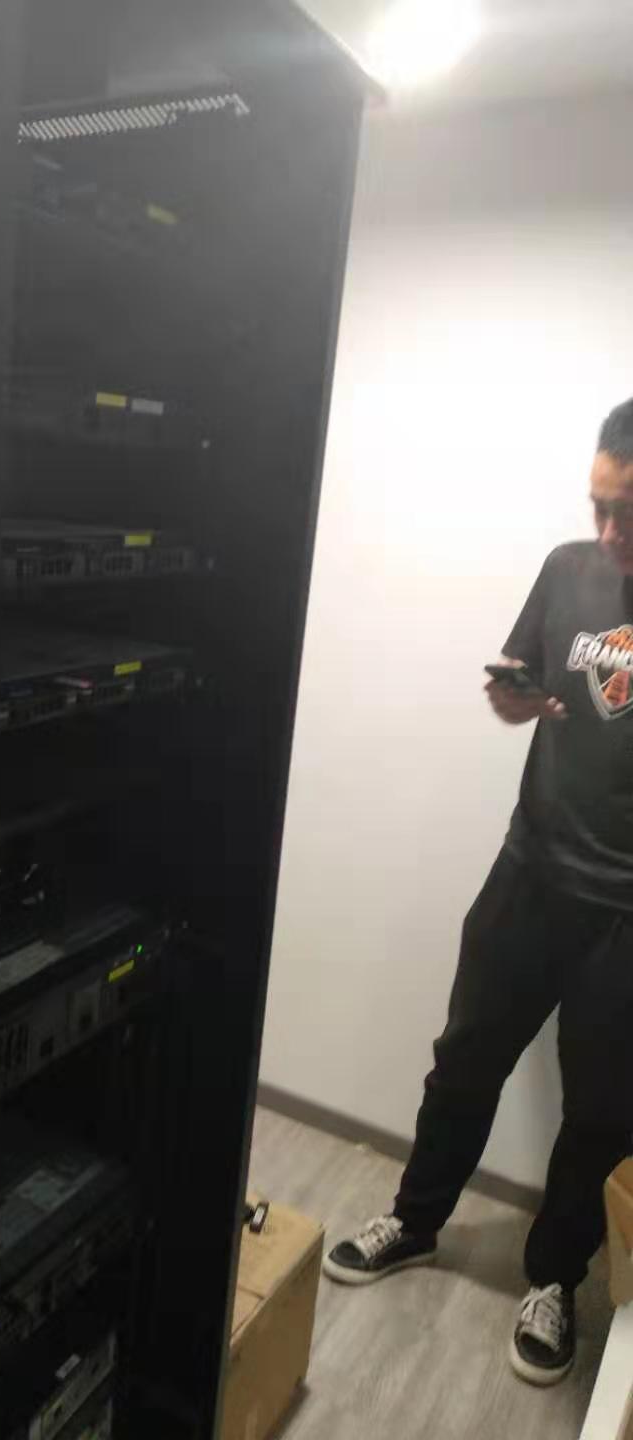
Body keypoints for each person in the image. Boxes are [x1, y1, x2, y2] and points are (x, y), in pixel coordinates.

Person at [323, 398, 633, 1388]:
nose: (608, 532)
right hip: (530, 870)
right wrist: (513, 696)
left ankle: (554, 1280)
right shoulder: (568, 569)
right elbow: (525, 684)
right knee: (464, 1061)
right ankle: (416, 1221)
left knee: (602, 1113)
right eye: (598, 506)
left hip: (626, 914)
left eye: (628, 512)